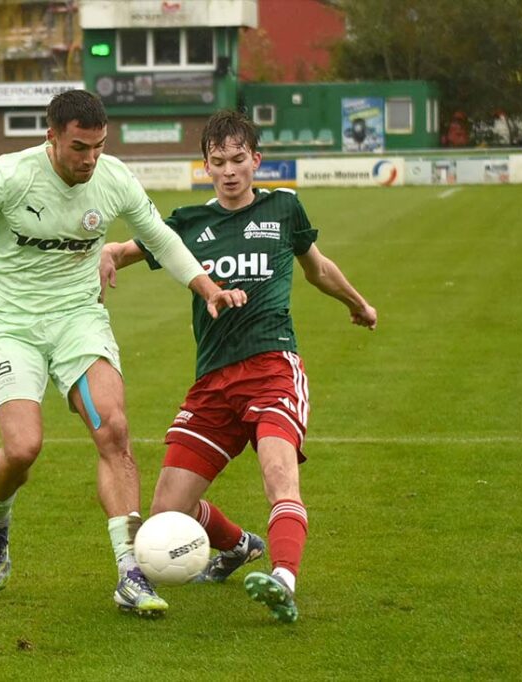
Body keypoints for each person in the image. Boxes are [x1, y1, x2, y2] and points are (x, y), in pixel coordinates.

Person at [0, 90, 246, 617]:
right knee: (22, 450)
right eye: (78, 147)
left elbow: (160, 238)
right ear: (52, 137)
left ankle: (130, 573)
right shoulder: (12, 175)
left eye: (98, 145)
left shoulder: (112, 179)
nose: (89, 158)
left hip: (78, 321)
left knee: (112, 429)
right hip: (13, 325)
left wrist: (208, 289)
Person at [100, 110, 377, 623]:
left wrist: (357, 303)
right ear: (205, 166)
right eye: (218, 161)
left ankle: (283, 580)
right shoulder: (189, 223)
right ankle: (237, 546)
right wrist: (110, 254)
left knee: (279, 476)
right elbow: (130, 247)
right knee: (165, 514)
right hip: (212, 383)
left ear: (256, 160)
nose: (229, 171)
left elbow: (316, 267)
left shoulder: (285, 209)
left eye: (238, 159)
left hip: (272, 367)